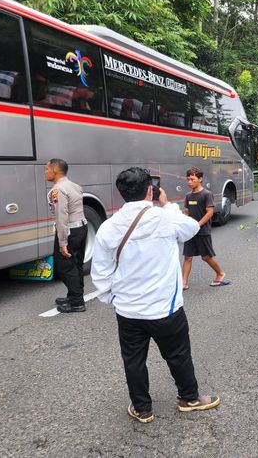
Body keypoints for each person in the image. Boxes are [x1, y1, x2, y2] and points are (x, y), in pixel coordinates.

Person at [92, 167, 220, 424]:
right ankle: (189, 399)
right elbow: (192, 227)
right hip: (166, 309)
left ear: (121, 193)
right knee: (178, 355)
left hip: (128, 311)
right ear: (151, 190)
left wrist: (114, 300)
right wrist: (167, 205)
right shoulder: (167, 218)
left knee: (133, 361)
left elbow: (101, 273)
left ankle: (142, 409)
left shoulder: (108, 227)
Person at [45, 158, 88, 313]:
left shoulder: (58, 190)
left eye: (47, 169)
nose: (46, 172)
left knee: (65, 267)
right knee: (76, 264)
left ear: (55, 171)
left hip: (70, 231)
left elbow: (61, 217)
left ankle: (77, 303)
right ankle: (75, 296)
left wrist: (62, 242)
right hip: (82, 228)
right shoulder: (75, 186)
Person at [182, 167, 229, 289]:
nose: (189, 182)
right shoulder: (188, 196)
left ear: (200, 179)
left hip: (203, 231)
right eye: (188, 179)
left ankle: (220, 273)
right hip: (190, 232)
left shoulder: (206, 194)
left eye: (192, 179)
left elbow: (210, 212)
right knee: (187, 257)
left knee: (206, 257)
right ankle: (184, 283)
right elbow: (186, 211)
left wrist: (198, 225)